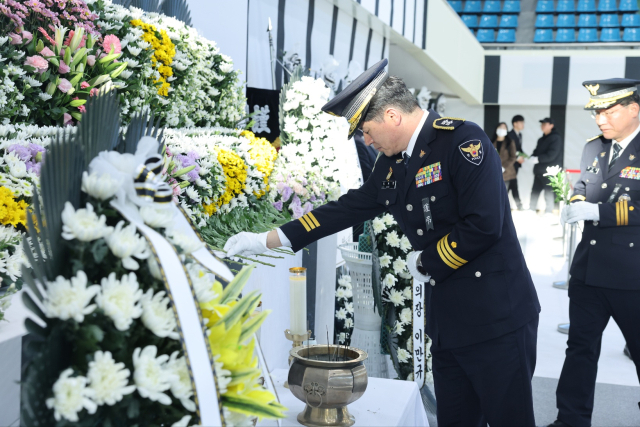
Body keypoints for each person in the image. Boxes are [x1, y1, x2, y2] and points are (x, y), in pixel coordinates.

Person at [224, 59, 541, 426]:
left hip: (497, 318)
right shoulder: (392, 165)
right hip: (450, 322)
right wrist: (268, 239)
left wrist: (427, 262)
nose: (366, 140)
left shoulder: (462, 141)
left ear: (392, 116)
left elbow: (484, 225)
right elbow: (346, 209)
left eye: (367, 130)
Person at [548, 78, 640, 427]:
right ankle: (570, 420)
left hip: (633, 275)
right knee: (580, 350)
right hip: (588, 271)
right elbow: (583, 186)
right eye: (596, 112)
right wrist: (574, 204)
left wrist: (599, 213)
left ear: (634, 109)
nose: (600, 118)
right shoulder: (594, 148)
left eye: (608, 110)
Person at [529, 117, 563, 214]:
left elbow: (552, 155)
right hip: (539, 170)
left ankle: (549, 212)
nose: (542, 126)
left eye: (545, 124)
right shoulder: (541, 139)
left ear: (551, 125)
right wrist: (531, 157)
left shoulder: (556, 138)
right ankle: (531, 210)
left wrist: (538, 159)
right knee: (535, 191)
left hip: (549, 171)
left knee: (549, 192)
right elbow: (536, 151)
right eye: (542, 124)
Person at [492, 122, 517, 190]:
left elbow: (513, 157)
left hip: (507, 173)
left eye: (504, 128)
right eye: (500, 127)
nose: (502, 129)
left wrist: (503, 167)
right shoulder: (491, 142)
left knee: (504, 193)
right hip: (494, 173)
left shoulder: (510, 142)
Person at [508, 115, 525, 209]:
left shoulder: (520, 135)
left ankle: (518, 205)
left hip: (516, 165)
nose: (523, 124)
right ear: (515, 124)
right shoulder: (509, 135)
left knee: (512, 184)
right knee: (511, 184)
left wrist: (524, 156)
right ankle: (519, 205)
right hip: (510, 165)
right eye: (521, 122)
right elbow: (509, 150)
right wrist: (517, 158)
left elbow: (519, 149)